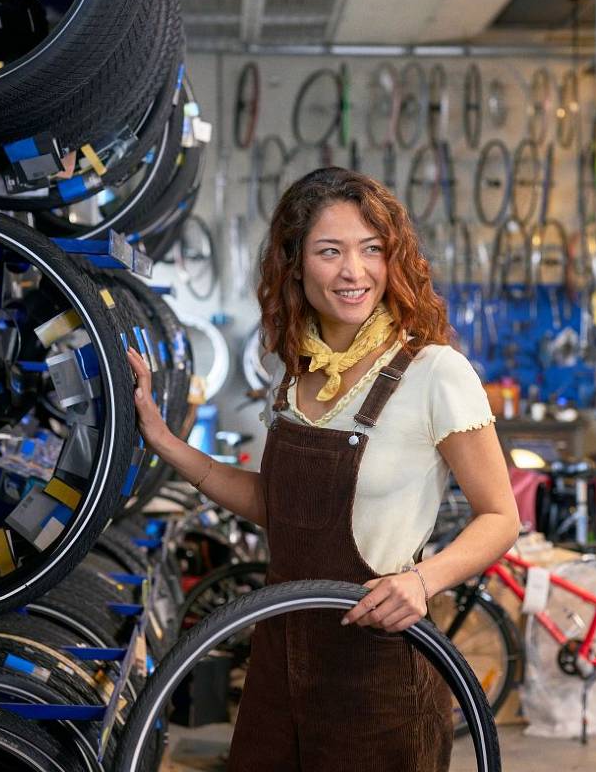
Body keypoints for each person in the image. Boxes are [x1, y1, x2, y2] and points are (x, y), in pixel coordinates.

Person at [126, 167, 521, 772]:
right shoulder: (294, 376)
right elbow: (274, 505)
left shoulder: (434, 373)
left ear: (393, 260)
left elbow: (500, 517)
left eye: (371, 250)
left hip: (378, 665)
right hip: (278, 653)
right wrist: (163, 439)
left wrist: (422, 582)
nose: (352, 272)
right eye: (329, 251)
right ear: (295, 262)